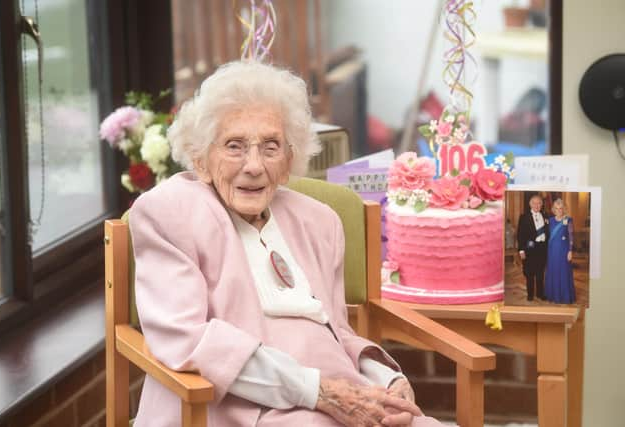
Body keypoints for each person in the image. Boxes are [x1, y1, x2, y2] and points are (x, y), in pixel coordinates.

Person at [129, 61, 445, 427]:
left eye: (270, 147)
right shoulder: (168, 212)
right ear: (201, 159)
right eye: (234, 146)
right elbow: (187, 340)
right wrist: (318, 392)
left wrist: (386, 380)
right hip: (234, 407)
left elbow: (337, 333)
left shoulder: (319, 221)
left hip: (336, 395)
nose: (254, 165)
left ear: (289, 160)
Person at [517, 194, 549, 301]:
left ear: (542, 204)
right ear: (530, 204)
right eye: (534, 203)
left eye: (539, 203)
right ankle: (530, 294)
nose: (537, 205)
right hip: (530, 248)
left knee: (540, 272)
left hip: (542, 248)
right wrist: (521, 250)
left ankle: (540, 293)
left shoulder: (545, 216)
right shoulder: (524, 217)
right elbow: (520, 234)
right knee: (529, 273)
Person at [544, 199, 576, 304]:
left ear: (564, 209)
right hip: (552, 250)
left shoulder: (568, 220)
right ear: (553, 209)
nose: (558, 210)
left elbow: (571, 236)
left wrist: (570, 251)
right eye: (556, 208)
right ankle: (553, 295)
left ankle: (565, 296)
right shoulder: (550, 220)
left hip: (563, 250)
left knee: (563, 271)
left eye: (561, 208)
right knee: (553, 270)